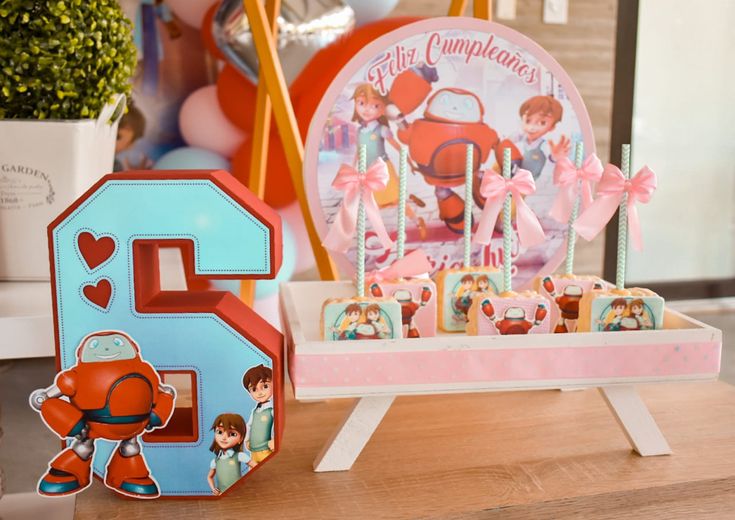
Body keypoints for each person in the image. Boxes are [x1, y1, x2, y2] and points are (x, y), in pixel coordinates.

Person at [207, 413, 254, 496]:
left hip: (239, 494)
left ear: (241, 438)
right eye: (220, 432)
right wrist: (214, 489)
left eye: (232, 434)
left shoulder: (240, 456)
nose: (224, 437)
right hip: (222, 495)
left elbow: (256, 467)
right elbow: (209, 477)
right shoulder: (215, 461)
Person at [242, 364, 275, 465]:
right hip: (253, 451)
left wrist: (275, 439)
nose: (259, 393)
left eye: (265, 386)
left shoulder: (272, 410)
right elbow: (249, 426)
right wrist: (247, 440)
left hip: (266, 450)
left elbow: (277, 425)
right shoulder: (255, 411)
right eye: (254, 389)